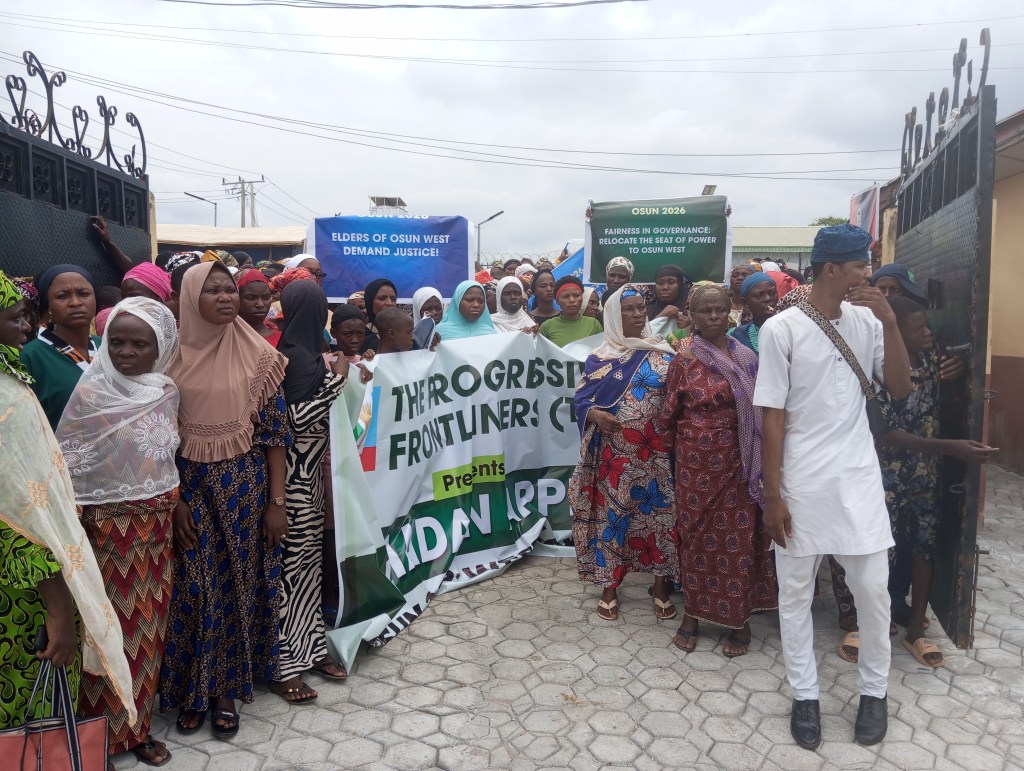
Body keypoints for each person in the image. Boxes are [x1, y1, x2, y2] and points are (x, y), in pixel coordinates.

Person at [754, 224, 912, 750]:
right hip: (800, 482)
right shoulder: (783, 329)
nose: (868, 274)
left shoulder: (870, 320)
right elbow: (771, 417)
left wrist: (890, 323)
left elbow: (899, 386)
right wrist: (772, 496)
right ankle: (805, 696)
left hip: (858, 477)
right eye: (861, 265)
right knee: (795, 595)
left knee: (872, 589)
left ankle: (874, 692)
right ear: (832, 269)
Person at [0, 271, 137, 733]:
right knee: (31, 680)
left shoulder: (12, 374)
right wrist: (58, 606)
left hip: (41, 555)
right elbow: (16, 509)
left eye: (26, 316)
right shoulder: (14, 382)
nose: (26, 327)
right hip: (25, 575)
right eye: (15, 316)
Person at [160, 261, 291, 740]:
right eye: (211, 290)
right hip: (187, 490)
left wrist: (277, 502)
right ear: (191, 296)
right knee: (196, 589)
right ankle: (192, 689)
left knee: (237, 585)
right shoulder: (167, 360)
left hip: (245, 490)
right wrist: (174, 502)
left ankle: (224, 693)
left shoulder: (257, 354)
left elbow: (276, 434)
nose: (224, 297)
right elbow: (156, 441)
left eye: (228, 289)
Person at [56, 297, 180, 766]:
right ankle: (97, 739)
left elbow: (164, 459)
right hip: (105, 534)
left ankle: (137, 728)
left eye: (140, 343)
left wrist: (178, 504)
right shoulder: (91, 395)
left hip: (157, 530)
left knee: (148, 631)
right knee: (105, 632)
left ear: (161, 348)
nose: (127, 351)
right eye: (118, 341)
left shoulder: (166, 391)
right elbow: (72, 467)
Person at [657, 285, 777, 657]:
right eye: (704, 311)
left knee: (738, 541)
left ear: (730, 312)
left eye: (719, 310)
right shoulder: (684, 359)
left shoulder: (748, 357)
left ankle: (738, 620)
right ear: (691, 315)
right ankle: (692, 617)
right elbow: (668, 416)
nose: (712, 316)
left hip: (742, 463)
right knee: (695, 539)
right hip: (697, 465)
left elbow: (764, 407)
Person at [567, 286, 678, 621]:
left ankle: (661, 585)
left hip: (657, 456)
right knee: (614, 518)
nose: (637, 314)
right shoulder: (600, 358)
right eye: (628, 309)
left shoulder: (664, 352)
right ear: (614, 316)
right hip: (615, 458)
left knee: (661, 518)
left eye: (640, 308)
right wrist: (596, 416)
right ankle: (610, 585)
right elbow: (581, 400)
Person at [272, 281, 350, 704]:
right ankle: (285, 665)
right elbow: (295, 422)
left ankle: (311, 648)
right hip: (296, 483)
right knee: (294, 575)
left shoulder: (298, 350)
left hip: (306, 482)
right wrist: (336, 382)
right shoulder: (298, 358)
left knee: (307, 573)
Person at [21, 264, 99, 429]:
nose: (75, 302)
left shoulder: (109, 346)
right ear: (48, 305)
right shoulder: (30, 357)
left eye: (84, 294)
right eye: (62, 296)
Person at [539, 276, 603, 347]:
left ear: (582, 298)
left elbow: (601, 353)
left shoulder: (594, 324)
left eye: (576, 296)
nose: (572, 300)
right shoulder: (547, 327)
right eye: (566, 297)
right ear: (557, 301)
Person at [729, 273, 779, 355]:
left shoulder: (791, 330)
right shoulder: (738, 336)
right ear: (745, 302)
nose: (768, 298)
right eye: (759, 295)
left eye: (772, 293)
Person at [238, 268, 281, 347]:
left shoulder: (281, 339)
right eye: (251, 298)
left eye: (266, 298)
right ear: (237, 299)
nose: (260, 304)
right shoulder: (228, 337)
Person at [360, 279, 398, 353]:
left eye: (393, 299)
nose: (389, 303)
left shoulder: (402, 332)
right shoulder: (361, 335)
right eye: (382, 298)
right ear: (370, 302)